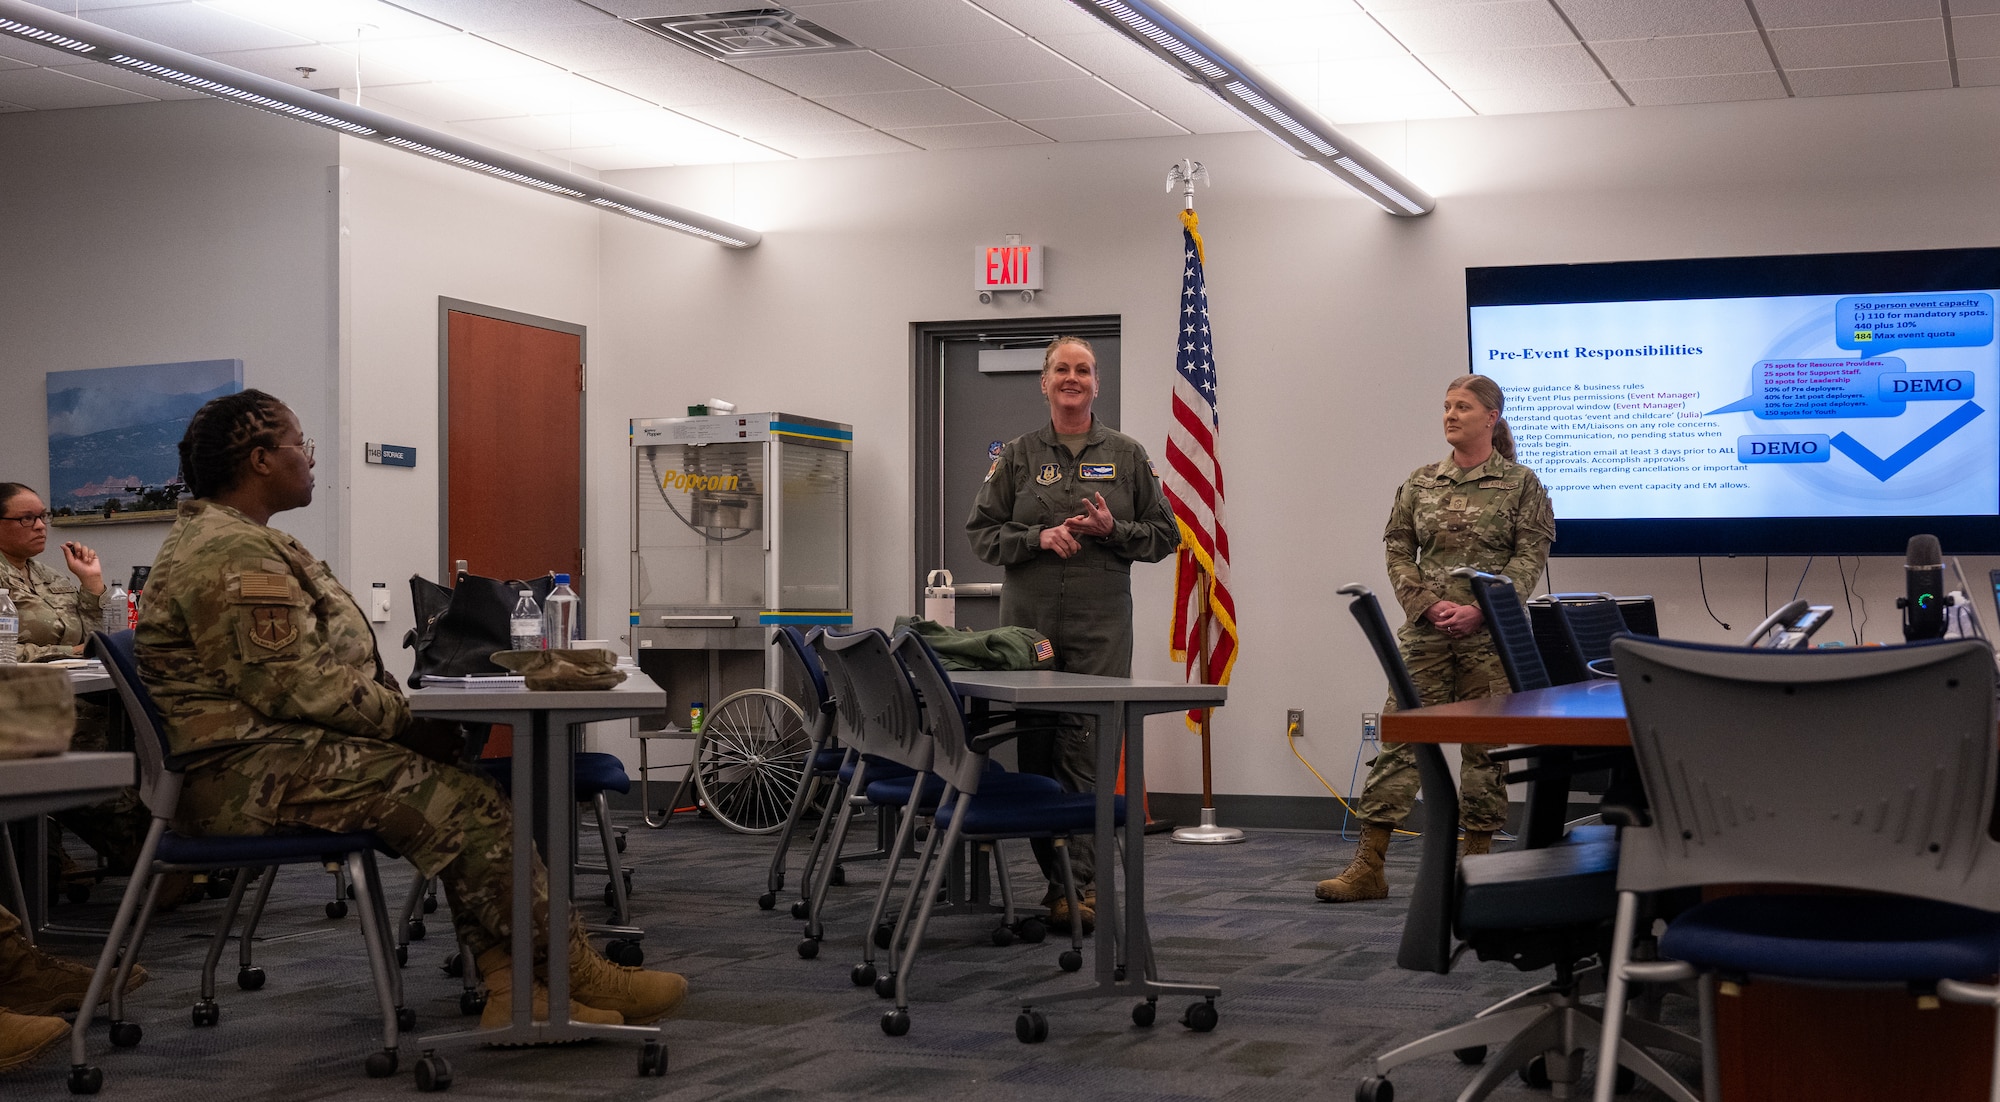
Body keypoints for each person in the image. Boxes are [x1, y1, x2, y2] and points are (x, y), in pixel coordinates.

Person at [135, 389, 683, 1029]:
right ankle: (563, 974)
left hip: (272, 761)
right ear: (260, 460)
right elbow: (296, 687)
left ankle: (521, 991)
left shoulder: (240, 540)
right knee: (469, 806)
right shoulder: (232, 552)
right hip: (249, 778)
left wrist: (403, 725)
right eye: (300, 446)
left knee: (470, 796)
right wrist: (405, 723)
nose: (310, 461)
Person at [966, 337, 1180, 932]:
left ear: (1096, 382)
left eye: (1082, 370)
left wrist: (1114, 529)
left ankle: (1074, 888)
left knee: (1086, 750)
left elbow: (1166, 538)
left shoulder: (1129, 455)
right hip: (1030, 627)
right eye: (1062, 369)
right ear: (1044, 381)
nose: (1072, 378)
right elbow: (981, 535)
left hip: (1100, 626)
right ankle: (1055, 878)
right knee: (1036, 751)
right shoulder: (1016, 456)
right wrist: (1037, 538)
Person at [1317, 374, 1554, 903]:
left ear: (1491, 417)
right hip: (1426, 635)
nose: (1450, 415)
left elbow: (1528, 558)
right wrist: (1425, 603)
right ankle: (1369, 867)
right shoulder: (1421, 482)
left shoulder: (1522, 484)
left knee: (1485, 753)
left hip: (1490, 639)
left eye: (1463, 407)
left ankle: (1477, 871)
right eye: (1446, 406)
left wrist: (1480, 612)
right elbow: (1398, 548)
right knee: (1401, 740)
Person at [0, 484, 153, 880]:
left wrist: (92, 585)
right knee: (107, 780)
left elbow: (94, 634)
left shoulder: (46, 574)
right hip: (25, 710)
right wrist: (68, 653)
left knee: (146, 756)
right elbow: (8, 655)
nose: (40, 526)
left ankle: (164, 858)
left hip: (78, 699)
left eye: (43, 516)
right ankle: (151, 867)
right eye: (26, 518)